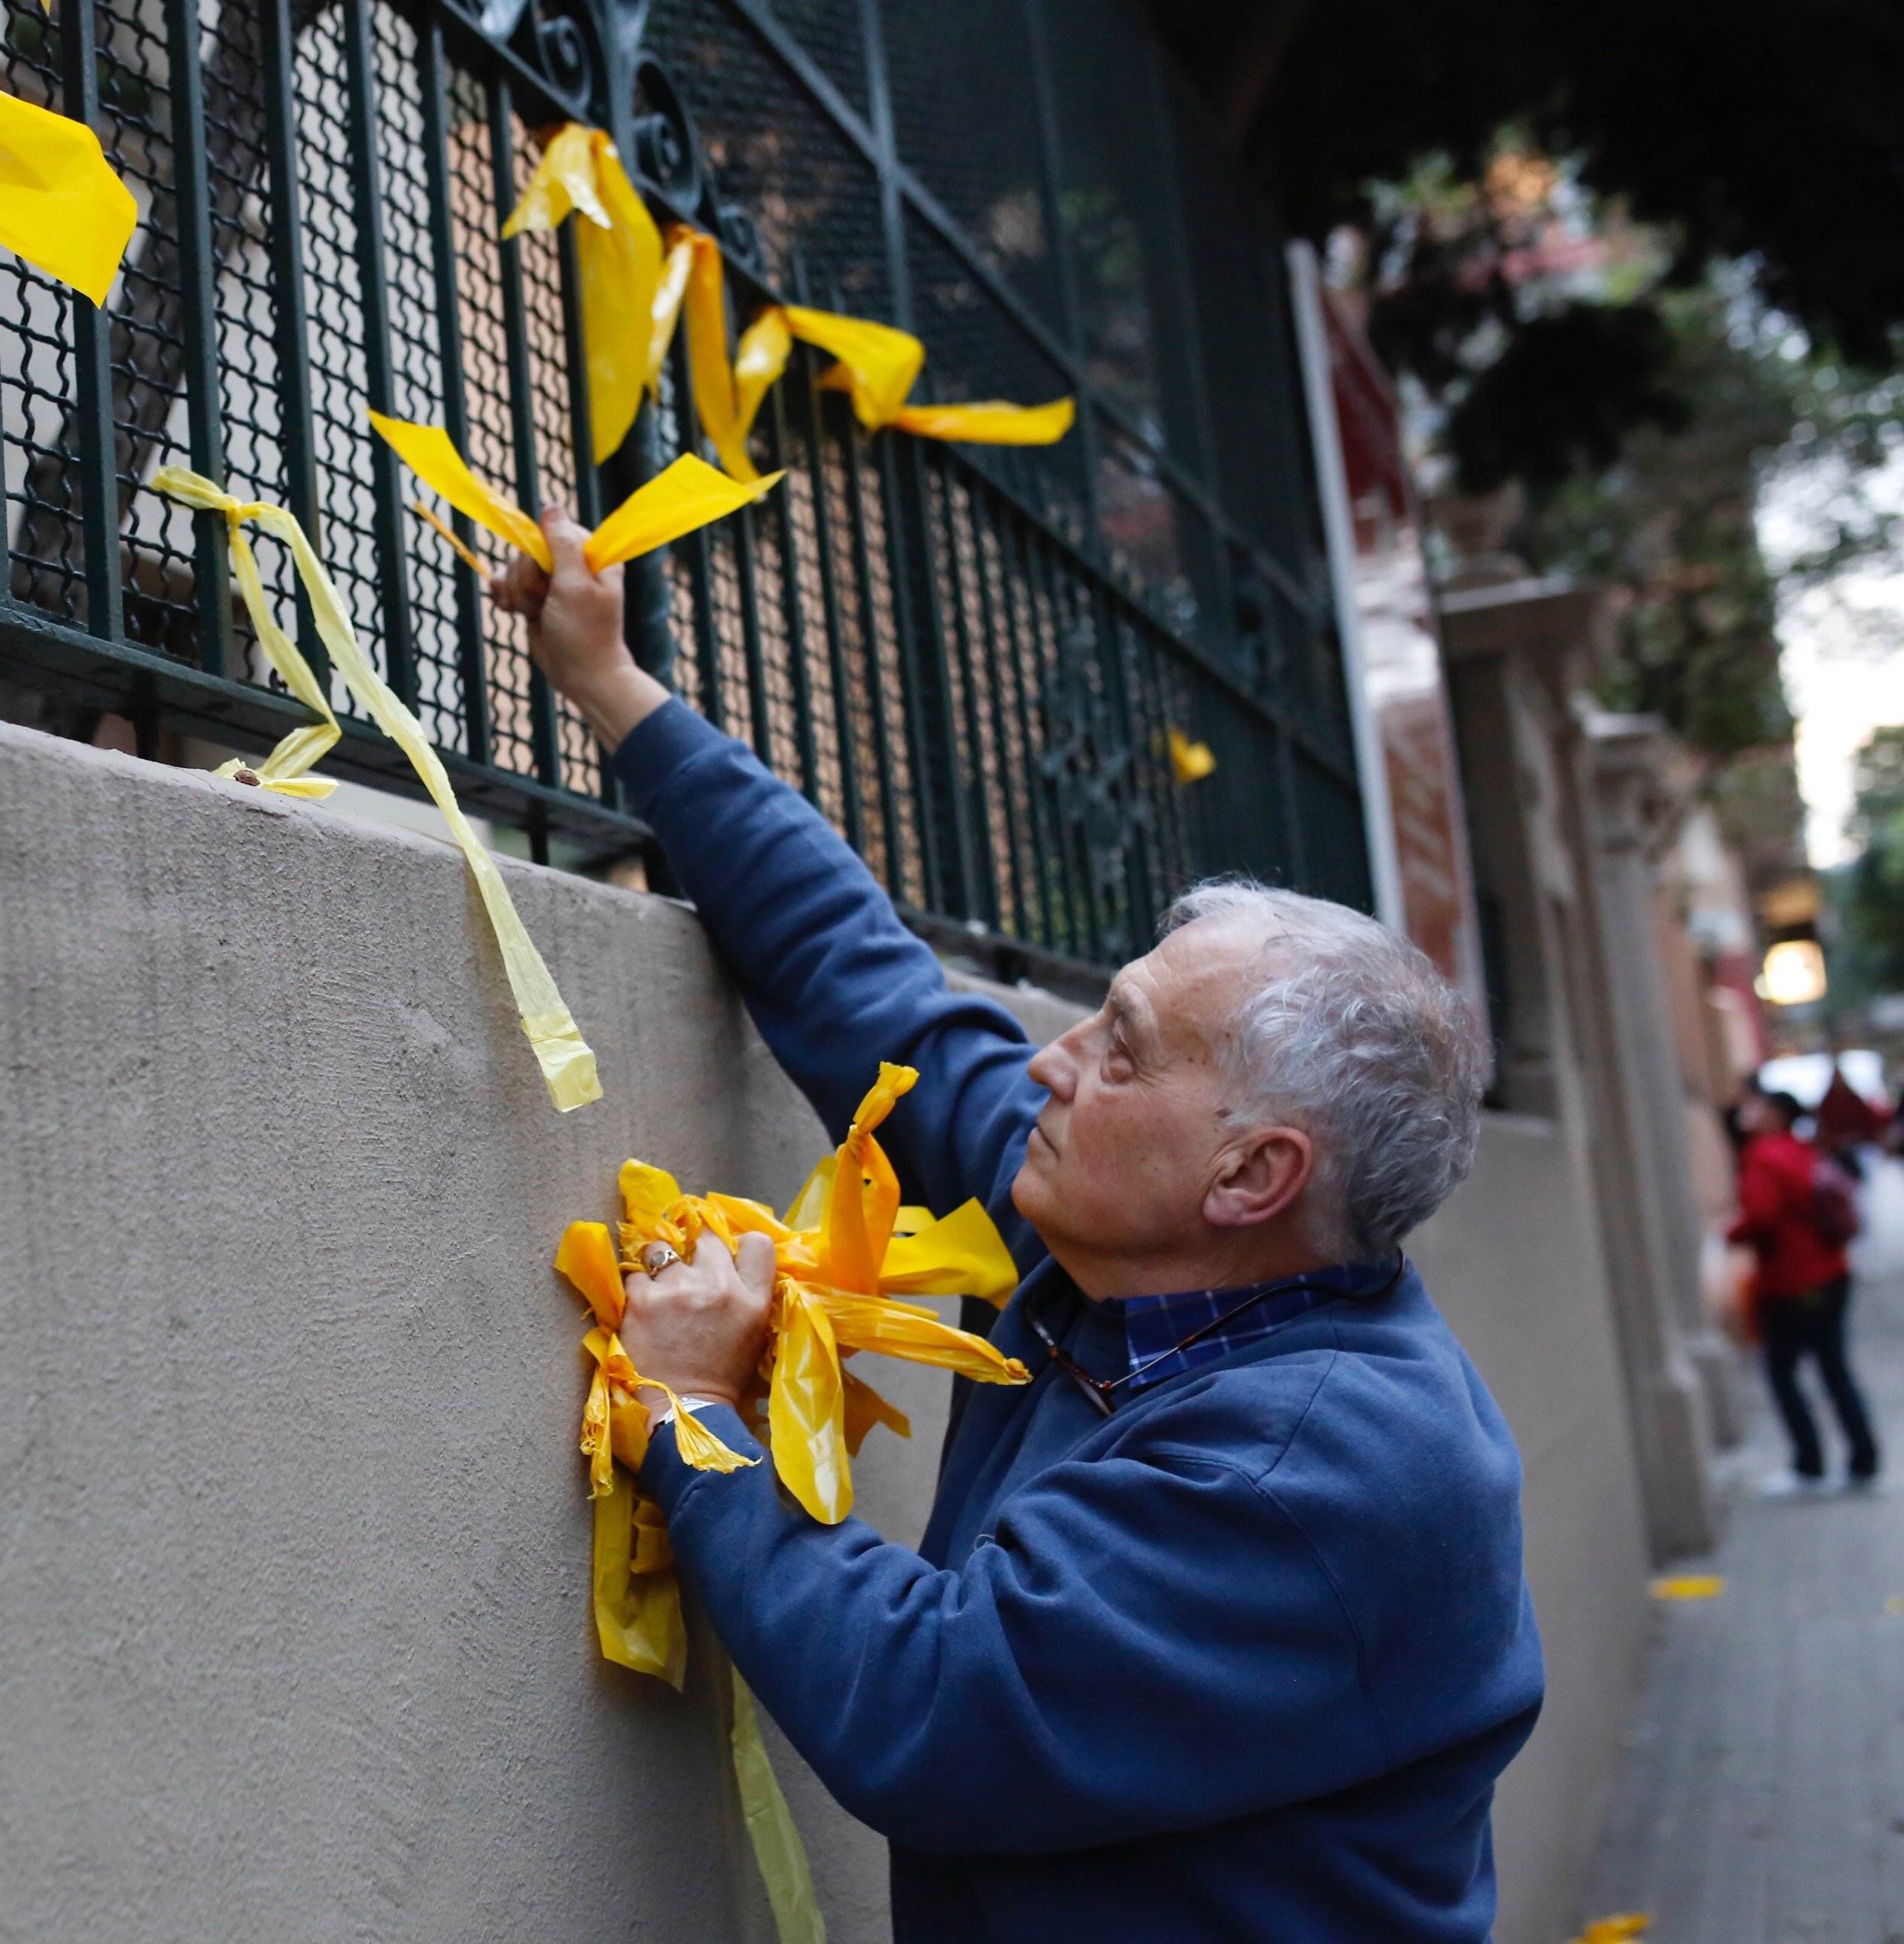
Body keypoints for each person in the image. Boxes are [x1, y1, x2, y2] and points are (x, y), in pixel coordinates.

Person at [492, 510, 1539, 1944]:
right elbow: (877, 998)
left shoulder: (1323, 1472)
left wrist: (692, 1422)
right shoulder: (1123, 1238)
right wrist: (615, 685)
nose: (1053, 1062)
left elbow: (936, 1710)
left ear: (1252, 1175)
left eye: (1122, 1045)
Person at [1729, 1087, 1877, 1492]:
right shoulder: (1802, 1149)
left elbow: (1760, 1215)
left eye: (1756, 1106)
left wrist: (1731, 1233)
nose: (1749, 1113)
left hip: (1793, 1280)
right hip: (1830, 1273)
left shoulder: (1764, 1155)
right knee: (1834, 1369)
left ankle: (1809, 1464)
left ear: (1775, 1114)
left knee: (1783, 1374)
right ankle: (1863, 1459)